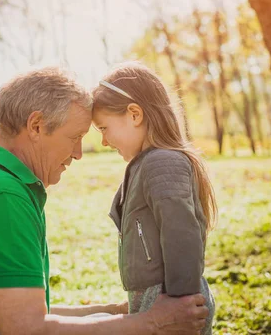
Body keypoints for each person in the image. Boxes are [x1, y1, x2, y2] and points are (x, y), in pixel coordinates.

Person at [0, 67, 209, 335]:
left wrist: (117, 312)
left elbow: (25, 313)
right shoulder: (0, 198)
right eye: (74, 137)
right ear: (36, 126)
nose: (78, 153)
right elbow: (26, 329)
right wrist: (152, 324)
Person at [92, 62, 218, 334]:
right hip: (153, 296)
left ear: (134, 114)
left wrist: (180, 303)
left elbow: (182, 233)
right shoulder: (147, 163)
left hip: (171, 299)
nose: (103, 141)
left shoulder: (162, 162)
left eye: (103, 128)